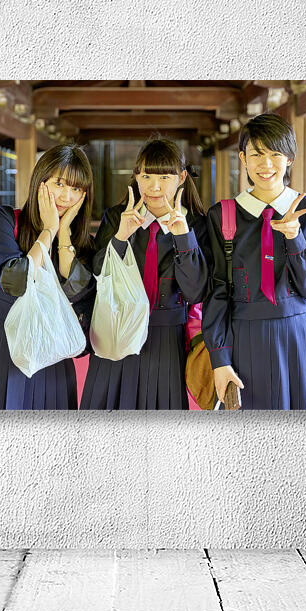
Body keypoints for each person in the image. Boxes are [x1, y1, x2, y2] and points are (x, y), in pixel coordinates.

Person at [202, 113, 306, 410]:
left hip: (297, 339)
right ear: (243, 158)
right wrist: (220, 359)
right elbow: (216, 292)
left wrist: (296, 240)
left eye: (276, 154)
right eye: (257, 154)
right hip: (243, 341)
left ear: (289, 158)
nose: (266, 165)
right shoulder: (221, 215)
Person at [0, 144, 95, 410]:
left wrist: (63, 235)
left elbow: (77, 293)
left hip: (52, 347)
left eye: (76, 189)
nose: (66, 196)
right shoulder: (5, 221)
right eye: (60, 184)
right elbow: (15, 282)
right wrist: (49, 230)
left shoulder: (82, 243)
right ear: (40, 180)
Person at [80, 138, 209, 410]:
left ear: (182, 177)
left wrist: (184, 238)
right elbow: (97, 275)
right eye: (146, 176)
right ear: (136, 176)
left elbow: (196, 291)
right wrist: (120, 237)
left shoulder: (196, 223)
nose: (155, 186)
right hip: (115, 326)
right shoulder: (117, 217)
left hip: (166, 337)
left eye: (165, 176)